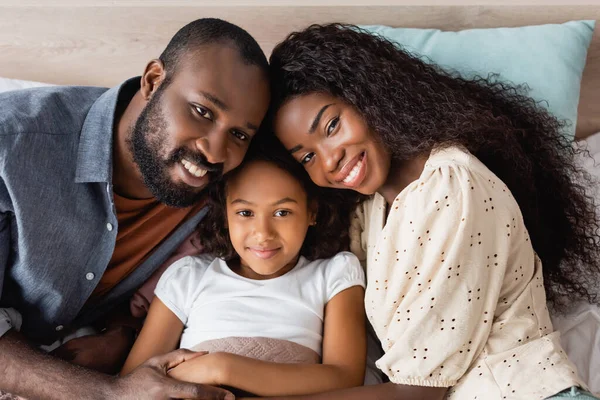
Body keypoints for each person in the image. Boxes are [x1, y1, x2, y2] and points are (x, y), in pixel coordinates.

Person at [267, 23, 600, 400]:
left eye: (331, 125)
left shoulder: (453, 186)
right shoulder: (372, 209)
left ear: (367, 96)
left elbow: (416, 393)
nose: (330, 160)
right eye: (308, 156)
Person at [0, 18, 270, 400]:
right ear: (153, 80)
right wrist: (113, 393)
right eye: (202, 111)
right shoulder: (10, 147)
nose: (213, 150)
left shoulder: (224, 192)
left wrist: (121, 335)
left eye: (239, 134)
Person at [120, 140, 367, 397]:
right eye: (245, 213)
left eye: (282, 212)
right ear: (225, 214)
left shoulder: (333, 275)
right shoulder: (189, 276)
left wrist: (222, 367)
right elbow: (131, 386)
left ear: (312, 212)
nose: (262, 234)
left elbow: (345, 377)